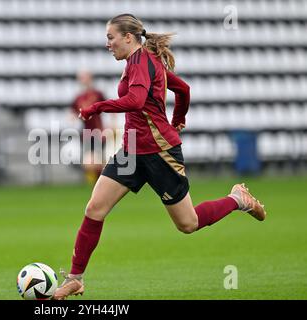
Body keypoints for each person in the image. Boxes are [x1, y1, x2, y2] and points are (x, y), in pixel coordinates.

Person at [52, 14, 267, 300]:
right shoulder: (139, 61)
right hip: (131, 149)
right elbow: (182, 90)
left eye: (110, 37)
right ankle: (76, 278)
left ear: (128, 37)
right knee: (94, 208)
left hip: (160, 152)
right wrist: (178, 117)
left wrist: (97, 108)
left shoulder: (143, 62)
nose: (107, 44)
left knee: (187, 224)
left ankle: (237, 199)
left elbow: (137, 101)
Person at [70, 70, 106, 185]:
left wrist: (111, 125)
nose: (83, 80)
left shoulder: (98, 94)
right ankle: (97, 183)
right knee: (89, 162)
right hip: (86, 133)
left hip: (98, 132)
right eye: (81, 77)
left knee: (97, 161)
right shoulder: (78, 98)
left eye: (85, 77)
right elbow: (73, 113)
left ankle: (101, 183)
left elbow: (109, 109)